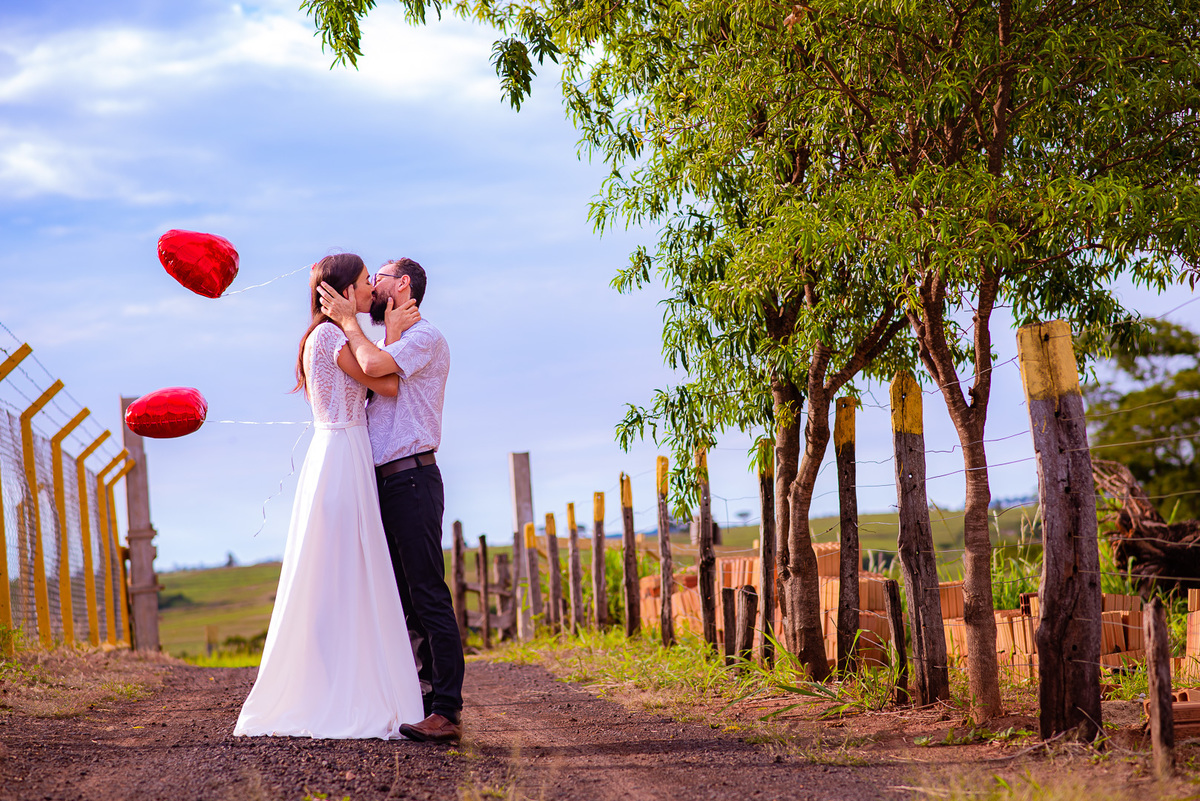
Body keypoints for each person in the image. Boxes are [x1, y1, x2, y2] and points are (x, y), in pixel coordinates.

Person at [233, 253, 425, 739]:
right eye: (364, 283)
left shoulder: (337, 336)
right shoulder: (329, 337)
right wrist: (395, 339)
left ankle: (348, 679)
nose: (370, 291)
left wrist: (384, 340)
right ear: (342, 292)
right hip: (340, 454)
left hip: (346, 451)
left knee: (351, 569)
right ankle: (333, 689)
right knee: (340, 568)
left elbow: (374, 372)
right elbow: (385, 384)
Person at [318, 257, 463, 743]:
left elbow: (375, 366)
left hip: (413, 479)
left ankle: (447, 710)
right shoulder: (395, 340)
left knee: (427, 595)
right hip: (384, 482)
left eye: (377, 278)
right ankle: (418, 702)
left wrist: (346, 322)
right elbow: (372, 363)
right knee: (403, 600)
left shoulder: (424, 338)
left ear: (402, 284)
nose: (371, 286)